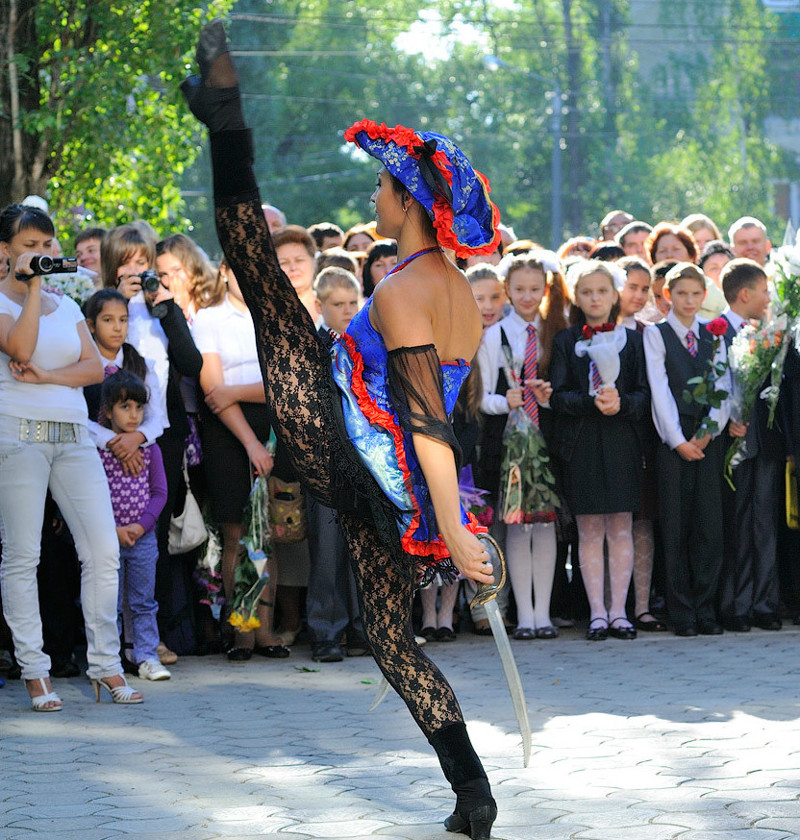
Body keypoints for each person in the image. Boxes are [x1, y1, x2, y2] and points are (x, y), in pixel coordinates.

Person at [181, 21, 500, 836]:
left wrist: (457, 527)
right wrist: (444, 517)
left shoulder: (401, 290)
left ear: (406, 202)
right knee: (392, 643)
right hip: (381, 468)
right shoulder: (455, 288)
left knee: (253, 257)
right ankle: (473, 793)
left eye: (382, 190)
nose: (373, 200)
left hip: (360, 454)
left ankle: (226, 117)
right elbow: (429, 410)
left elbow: (426, 418)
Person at [0, 203, 142, 709]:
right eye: (29, 247)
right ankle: (35, 671)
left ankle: (105, 666)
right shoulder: (7, 299)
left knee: (102, 550)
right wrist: (32, 287)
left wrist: (49, 377)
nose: (42, 255)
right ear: (5, 252)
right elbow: (20, 346)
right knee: (22, 556)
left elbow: (93, 370)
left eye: (46, 246)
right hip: (18, 437)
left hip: (73, 436)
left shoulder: (66, 303)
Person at [102, 222, 203, 659]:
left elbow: (191, 363)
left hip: (160, 438)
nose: (136, 270)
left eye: (142, 262)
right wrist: (119, 302)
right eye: (126, 263)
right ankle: (113, 639)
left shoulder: (161, 308)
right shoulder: (102, 309)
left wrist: (167, 307)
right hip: (107, 442)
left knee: (153, 541)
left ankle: (152, 636)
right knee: (107, 544)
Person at [191, 259, 288, 660]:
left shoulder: (279, 315)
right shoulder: (208, 318)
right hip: (228, 434)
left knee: (269, 536)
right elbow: (213, 391)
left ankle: (265, 631)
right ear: (225, 269)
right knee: (236, 534)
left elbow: (286, 381)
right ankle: (241, 630)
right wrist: (250, 443)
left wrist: (238, 391)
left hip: (275, 428)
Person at [551, 260, 649, 641]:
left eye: (602, 291)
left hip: (622, 440)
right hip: (584, 444)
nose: (595, 298)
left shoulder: (634, 340)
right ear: (577, 297)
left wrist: (621, 401)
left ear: (615, 295)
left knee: (621, 526)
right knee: (590, 529)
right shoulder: (565, 340)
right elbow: (558, 397)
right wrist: (591, 400)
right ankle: (596, 613)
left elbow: (645, 394)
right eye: (587, 292)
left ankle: (619, 612)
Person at [477, 251, 568, 640]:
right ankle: (524, 615)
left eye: (534, 289)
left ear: (545, 289)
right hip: (508, 439)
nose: (527, 297)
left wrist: (546, 396)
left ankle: (542, 614)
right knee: (516, 525)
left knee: (544, 525)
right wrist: (506, 401)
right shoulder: (494, 334)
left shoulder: (555, 331)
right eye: (519, 289)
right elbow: (482, 396)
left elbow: (565, 389)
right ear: (507, 291)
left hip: (546, 438)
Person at [643, 263, 731, 636]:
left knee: (709, 527)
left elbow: (723, 386)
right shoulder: (657, 335)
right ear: (668, 295)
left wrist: (709, 432)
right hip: (673, 439)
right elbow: (659, 389)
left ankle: (706, 608)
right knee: (676, 526)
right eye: (682, 294)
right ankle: (681, 612)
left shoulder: (715, 335)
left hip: (707, 439)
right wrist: (677, 440)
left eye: (696, 294)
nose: (689, 301)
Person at [718, 259, 782, 631]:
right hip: (732, 446)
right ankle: (737, 605)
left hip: (765, 445)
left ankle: (765, 603)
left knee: (765, 524)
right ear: (745, 294)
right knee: (738, 526)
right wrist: (727, 419)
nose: (768, 297)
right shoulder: (716, 332)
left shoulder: (771, 333)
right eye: (763, 290)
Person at [307, 267, 366, 661]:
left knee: (364, 548)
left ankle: (365, 629)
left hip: (366, 459)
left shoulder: (369, 340)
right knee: (327, 552)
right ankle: (326, 632)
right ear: (320, 305)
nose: (346, 311)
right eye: (337, 304)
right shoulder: (310, 346)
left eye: (351, 303)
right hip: (326, 458)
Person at [98, 371, 170, 679]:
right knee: (107, 603)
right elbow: (91, 493)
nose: (134, 414)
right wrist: (112, 529)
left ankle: (147, 655)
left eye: (139, 408)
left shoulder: (150, 448)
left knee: (143, 601)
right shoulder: (98, 450)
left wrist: (141, 527)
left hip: (143, 539)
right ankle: (109, 661)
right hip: (106, 538)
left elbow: (159, 492)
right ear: (107, 411)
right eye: (125, 407)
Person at [615, 257, 665, 631]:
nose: (638, 294)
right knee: (609, 525)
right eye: (631, 286)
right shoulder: (586, 331)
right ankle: (607, 607)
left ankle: (643, 605)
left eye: (645, 288)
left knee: (641, 523)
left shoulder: (650, 331)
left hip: (642, 439)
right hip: (603, 440)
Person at [156, 233, 216, 323]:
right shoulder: (160, 307)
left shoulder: (216, 298)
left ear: (192, 265)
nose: (171, 281)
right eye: (163, 274)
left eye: (176, 270)